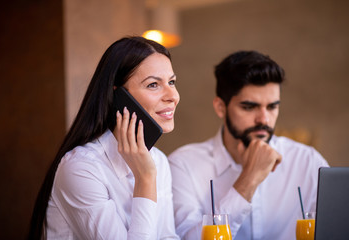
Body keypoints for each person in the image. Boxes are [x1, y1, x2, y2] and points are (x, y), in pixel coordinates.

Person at [28, 36, 180, 239]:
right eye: (153, 85)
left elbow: (168, 237)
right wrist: (145, 179)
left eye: (171, 82)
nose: (173, 96)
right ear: (119, 96)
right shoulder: (81, 168)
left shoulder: (158, 160)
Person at [168, 50, 329, 240]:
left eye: (272, 107)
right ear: (221, 107)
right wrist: (248, 179)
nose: (264, 119)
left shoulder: (307, 161)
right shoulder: (183, 165)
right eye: (249, 107)